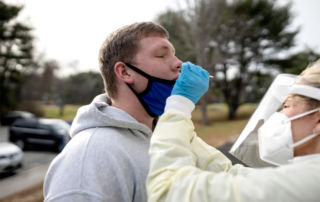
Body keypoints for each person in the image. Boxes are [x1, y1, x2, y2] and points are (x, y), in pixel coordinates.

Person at [43, 22, 182, 202]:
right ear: (124, 72)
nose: (179, 63)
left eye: (174, 55)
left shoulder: (162, 139)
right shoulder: (91, 158)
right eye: (161, 55)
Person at [147, 60, 320, 202]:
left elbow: (168, 191)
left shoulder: (310, 184)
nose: (279, 114)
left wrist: (178, 105)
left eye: (286, 106)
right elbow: (229, 174)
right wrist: (180, 129)